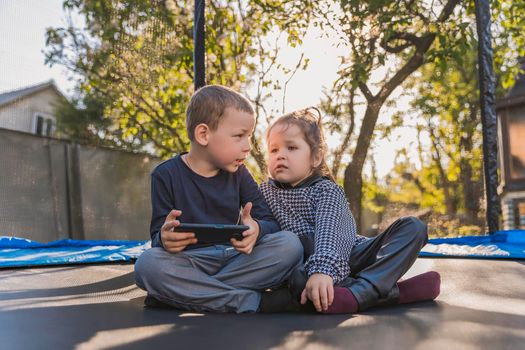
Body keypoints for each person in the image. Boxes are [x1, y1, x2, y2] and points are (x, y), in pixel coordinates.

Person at [134, 85, 303, 313]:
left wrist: (256, 229)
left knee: (290, 244)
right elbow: (158, 238)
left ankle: (181, 294)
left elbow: (270, 222)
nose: (248, 146)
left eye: (250, 136)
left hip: (235, 258)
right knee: (148, 265)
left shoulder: (240, 173)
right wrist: (165, 239)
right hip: (190, 261)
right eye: (239, 136)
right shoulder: (165, 175)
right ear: (204, 134)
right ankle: (250, 301)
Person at [260, 107, 441, 314]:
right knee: (299, 280)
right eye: (274, 150)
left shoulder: (326, 190)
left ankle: (358, 293)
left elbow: (330, 233)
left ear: (315, 158)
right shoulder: (264, 192)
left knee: (414, 227)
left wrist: (322, 271)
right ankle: (394, 292)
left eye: (291, 148)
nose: (280, 155)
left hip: (349, 253)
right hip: (305, 264)